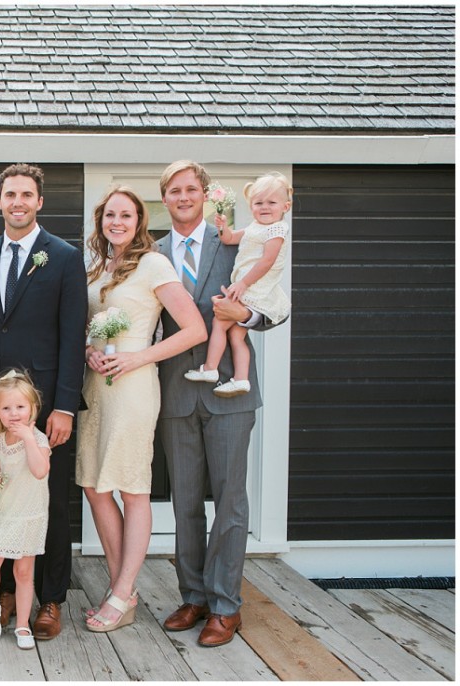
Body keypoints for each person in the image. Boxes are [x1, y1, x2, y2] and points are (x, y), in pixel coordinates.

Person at [154, 160, 284, 647]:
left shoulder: (239, 242)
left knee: (230, 501)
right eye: (174, 190)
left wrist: (245, 314)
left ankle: (226, 607)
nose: (183, 196)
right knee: (185, 503)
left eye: (191, 189)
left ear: (204, 194)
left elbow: (273, 299)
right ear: (164, 197)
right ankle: (194, 597)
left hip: (232, 390)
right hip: (177, 392)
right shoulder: (155, 252)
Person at [78, 186, 207, 632]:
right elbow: (85, 326)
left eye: (126, 215)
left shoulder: (154, 264)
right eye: (109, 214)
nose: (117, 222)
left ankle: (120, 591)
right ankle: (123, 590)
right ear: (101, 220)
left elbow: (194, 329)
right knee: (95, 487)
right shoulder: (94, 266)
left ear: (138, 222)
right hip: (95, 385)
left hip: (133, 385)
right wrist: (87, 352)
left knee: (132, 488)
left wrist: (138, 356)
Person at [0, 163, 87, 640]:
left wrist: (63, 406)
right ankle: (1, 595)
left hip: (42, 409)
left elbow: (72, 336)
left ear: (40, 202)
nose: (18, 201)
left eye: (27, 194)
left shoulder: (61, 257)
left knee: (49, 501)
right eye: (10, 194)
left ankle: (50, 599)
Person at [185, 172, 293, 397]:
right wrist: (224, 227)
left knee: (219, 322)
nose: (264, 207)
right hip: (248, 287)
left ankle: (210, 368)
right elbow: (230, 239)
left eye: (272, 202)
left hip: (255, 289)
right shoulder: (255, 228)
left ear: (286, 206)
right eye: (258, 202)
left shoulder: (276, 230)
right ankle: (242, 379)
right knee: (236, 335)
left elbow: (267, 262)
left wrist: (243, 283)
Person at [0, 370, 52, 651]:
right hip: (5, 511)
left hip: (29, 513)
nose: (14, 414)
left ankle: (23, 623)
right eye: (6, 408)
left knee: (24, 572)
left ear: (32, 409)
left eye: (20, 407)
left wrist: (29, 439)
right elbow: (2, 473)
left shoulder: (38, 439)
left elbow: (39, 470)